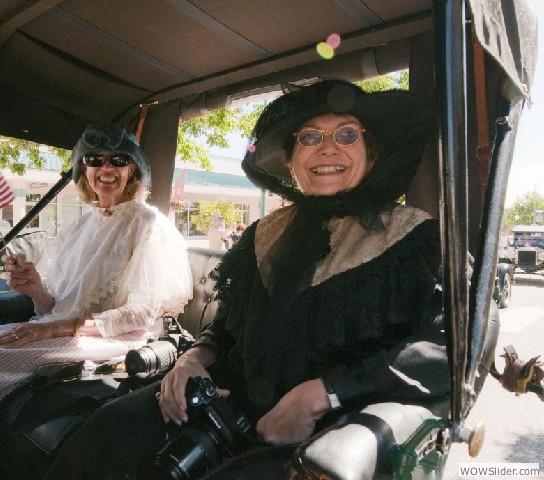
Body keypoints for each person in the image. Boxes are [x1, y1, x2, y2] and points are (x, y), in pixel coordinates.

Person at [43, 79, 450, 480]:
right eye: (309, 137)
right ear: (291, 161)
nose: (328, 147)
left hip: (336, 425)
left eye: (347, 134)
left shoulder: (414, 237)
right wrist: (191, 359)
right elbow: (228, 328)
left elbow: (452, 343)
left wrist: (323, 393)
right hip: (225, 402)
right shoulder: (265, 233)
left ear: (372, 154)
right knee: (105, 433)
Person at [0, 124, 193, 480]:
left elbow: (139, 314)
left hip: (111, 338)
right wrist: (34, 287)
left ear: (132, 169)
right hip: (56, 328)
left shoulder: (149, 224)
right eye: (94, 160)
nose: (106, 169)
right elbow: (51, 302)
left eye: (118, 160)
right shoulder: (77, 226)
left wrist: (53, 328)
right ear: (83, 168)